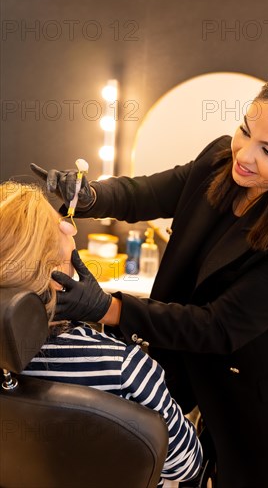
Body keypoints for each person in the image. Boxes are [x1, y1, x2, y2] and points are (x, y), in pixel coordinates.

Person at [31, 71, 268, 488]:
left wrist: (106, 307)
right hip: (195, 377)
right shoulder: (220, 159)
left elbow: (218, 327)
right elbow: (144, 193)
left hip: (264, 407)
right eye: (244, 131)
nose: (245, 155)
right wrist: (88, 196)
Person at [0, 181, 203, 487]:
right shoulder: (124, 368)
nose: (70, 232)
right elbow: (186, 466)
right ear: (57, 279)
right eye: (71, 254)